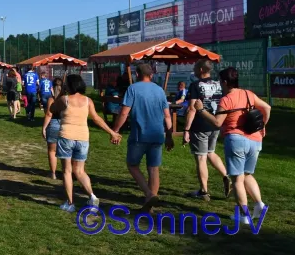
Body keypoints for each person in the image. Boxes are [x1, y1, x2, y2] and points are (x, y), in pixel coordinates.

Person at [194, 67, 271, 224]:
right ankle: (259, 204)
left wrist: (201, 110)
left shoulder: (226, 99)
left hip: (236, 139)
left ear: (224, 82)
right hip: (255, 140)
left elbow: (217, 122)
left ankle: (244, 215)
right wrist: (263, 126)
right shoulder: (248, 94)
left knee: (237, 179)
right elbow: (267, 108)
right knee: (247, 174)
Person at [50, 74, 122, 212]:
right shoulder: (88, 101)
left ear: (69, 86)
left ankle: (70, 203)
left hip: (66, 136)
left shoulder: (65, 99)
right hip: (83, 138)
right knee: (80, 171)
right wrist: (112, 132)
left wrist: (60, 94)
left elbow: (53, 109)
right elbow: (96, 118)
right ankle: (92, 196)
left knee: (67, 171)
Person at [112, 63, 174, 213]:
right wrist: (170, 135)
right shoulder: (159, 90)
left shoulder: (132, 89)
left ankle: (149, 194)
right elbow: (167, 115)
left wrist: (115, 130)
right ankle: (149, 206)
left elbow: (124, 113)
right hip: (158, 134)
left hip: (140, 135)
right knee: (153, 169)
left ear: (137, 74)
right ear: (151, 75)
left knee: (132, 165)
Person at [183, 60, 231, 201]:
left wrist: (186, 129)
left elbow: (192, 108)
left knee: (201, 157)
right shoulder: (218, 84)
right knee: (210, 152)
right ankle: (226, 176)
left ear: (202, 69)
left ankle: (204, 191)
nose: (193, 68)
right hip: (214, 123)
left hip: (200, 125)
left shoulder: (195, 85)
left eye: (196, 67)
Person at [41, 78, 64, 179]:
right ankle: (66, 172)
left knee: (52, 151)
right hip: (64, 124)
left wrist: (44, 127)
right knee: (65, 151)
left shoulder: (52, 99)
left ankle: (53, 173)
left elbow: (49, 114)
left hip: (54, 124)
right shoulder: (66, 98)